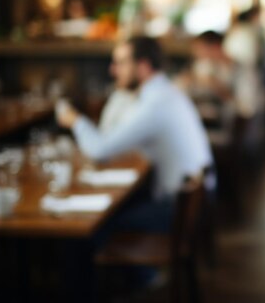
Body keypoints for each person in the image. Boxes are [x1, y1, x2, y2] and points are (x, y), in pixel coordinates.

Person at [57, 36, 214, 232]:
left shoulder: (155, 104)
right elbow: (113, 135)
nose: (112, 70)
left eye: (121, 63)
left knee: (94, 225)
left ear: (143, 67)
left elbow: (100, 149)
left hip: (174, 208)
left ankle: (107, 262)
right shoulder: (163, 92)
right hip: (189, 199)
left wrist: (75, 120)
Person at [97, 40, 138, 133]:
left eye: (121, 63)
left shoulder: (149, 105)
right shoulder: (118, 97)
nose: (112, 70)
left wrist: (76, 122)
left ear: (141, 65)